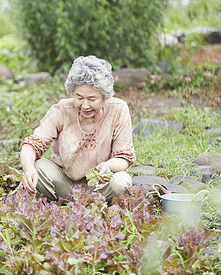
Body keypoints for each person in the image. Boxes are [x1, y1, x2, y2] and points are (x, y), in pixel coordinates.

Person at [20, 55, 135, 203]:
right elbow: (32, 144)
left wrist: (108, 165)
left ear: (105, 97)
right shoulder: (62, 110)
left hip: (100, 185)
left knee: (120, 182)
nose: (85, 105)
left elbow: (124, 159)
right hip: (65, 184)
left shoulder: (118, 109)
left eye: (92, 99)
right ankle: (67, 202)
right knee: (38, 165)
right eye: (79, 98)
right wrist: (28, 170)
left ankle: (89, 204)